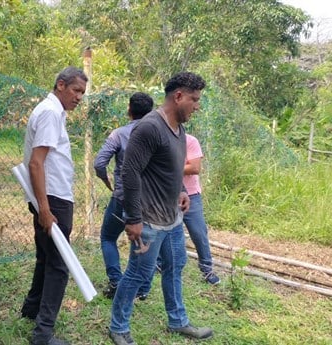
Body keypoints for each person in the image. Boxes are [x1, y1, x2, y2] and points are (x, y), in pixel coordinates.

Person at [109, 72, 213, 345]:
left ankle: (178, 321)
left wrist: (181, 190)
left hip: (173, 219)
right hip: (150, 220)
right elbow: (130, 173)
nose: (197, 106)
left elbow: (172, 167)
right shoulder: (150, 127)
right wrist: (133, 218)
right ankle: (118, 326)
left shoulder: (179, 130)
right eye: (194, 99)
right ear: (178, 96)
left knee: (176, 264)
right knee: (138, 273)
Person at [20, 67, 87, 345]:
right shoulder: (50, 112)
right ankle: (43, 334)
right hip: (53, 199)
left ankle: (31, 310)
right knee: (58, 266)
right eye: (76, 90)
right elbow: (37, 163)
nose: (79, 97)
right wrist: (45, 209)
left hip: (50, 197)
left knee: (46, 258)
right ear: (61, 85)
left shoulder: (52, 111)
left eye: (82, 92)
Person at [94, 92, 154, 299]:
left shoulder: (119, 134)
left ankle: (116, 281)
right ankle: (143, 289)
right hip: (151, 200)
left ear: (129, 109)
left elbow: (99, 163)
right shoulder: (159, 134)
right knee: (143, 242)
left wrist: (107, 181)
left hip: (123, 197)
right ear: (151, 111)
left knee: (108, 237)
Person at [183, 134, 220, 284]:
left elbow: (195, 167)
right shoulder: (161, 140)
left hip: (191, 195)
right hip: (167, 195)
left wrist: (169, 168)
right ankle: (158, 263)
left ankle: (207, 269)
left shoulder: (190, 141)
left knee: (199, 233)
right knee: (165, 231)